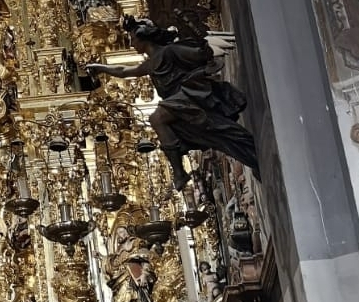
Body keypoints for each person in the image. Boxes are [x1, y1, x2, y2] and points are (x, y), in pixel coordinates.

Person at [86, 16, 258, 191]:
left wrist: (196, 36)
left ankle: (179, 173)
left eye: (133, 39)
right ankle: (245, 155)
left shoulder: (170, 51)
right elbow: (123, 71)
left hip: (188, 96)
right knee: (216, 134)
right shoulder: (150, 63)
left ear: (144, 37)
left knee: (157, 118)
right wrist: (100, 67)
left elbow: (200, 54)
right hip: (178, 103)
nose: (131, 44)